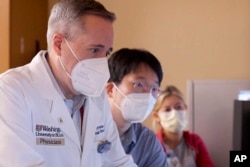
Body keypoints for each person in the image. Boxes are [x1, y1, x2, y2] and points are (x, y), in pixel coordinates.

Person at [0, 1, 137, 166]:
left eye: (107, 52)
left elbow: (117, 162)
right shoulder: (11, 91)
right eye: (94, 50)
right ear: (59, 44)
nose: (102, 62)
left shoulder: (96, 96)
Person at [105, 48, 168, 167]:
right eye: (139, 84)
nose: (147, 95)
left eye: (154, 89)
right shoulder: (85, 129)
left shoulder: (147, 141)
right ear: (110, 89)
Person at [152, 85, 215, 167]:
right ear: (156, 116)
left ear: (185, 109)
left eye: (178, 107)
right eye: (167, 109)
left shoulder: (195, 141)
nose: (174, 113)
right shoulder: (152, 144)